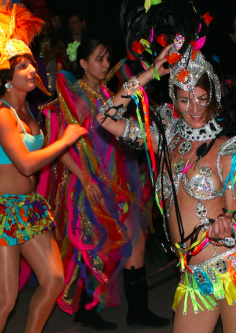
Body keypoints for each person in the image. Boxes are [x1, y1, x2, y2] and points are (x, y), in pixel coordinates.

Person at [96, 1, 236, 331]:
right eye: (185, 98)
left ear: (213, 98)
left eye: (202, 99)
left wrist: (226, 226)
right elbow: (106, 116)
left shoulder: (225, 149)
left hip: (233, 268)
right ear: (173, 100)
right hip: (192, 275)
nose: (194, 108)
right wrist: (152, 73)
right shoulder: (162, 140)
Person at [38, 39, 169, 330]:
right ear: (83, 64)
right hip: (90, 183)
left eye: (107, 58)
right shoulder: (74, 97)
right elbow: (58, 145)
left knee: (136, 239)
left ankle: (138, 309)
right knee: (97, 245)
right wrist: (85, 178)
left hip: (120, 180)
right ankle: (86, 309)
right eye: (98, 59)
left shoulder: (109, 93)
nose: (105, 64)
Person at [0, 2, 87, 332]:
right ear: (8, 80)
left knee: (52, 280)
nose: (33, 70)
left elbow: (50, 153)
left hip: (29, 208)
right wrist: (65, 140)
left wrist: (81, 173)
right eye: (23, 67)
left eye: (32, 64)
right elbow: (24, 164)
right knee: (6, 299)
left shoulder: (30, 115)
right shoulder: (3, 115)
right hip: (3, 211)